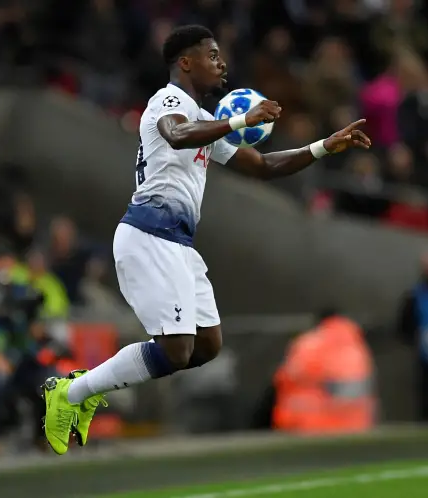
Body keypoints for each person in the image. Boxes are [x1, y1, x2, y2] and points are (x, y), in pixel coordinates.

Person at [40, 24, 372, 455]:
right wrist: (238, 120)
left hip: (177, 244)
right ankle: (71, 394)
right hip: (149, 235)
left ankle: (78, 390)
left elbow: (263, 166)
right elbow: (177, 134)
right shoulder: (169, 102)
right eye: (212, 55)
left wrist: (323, 146)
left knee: (207, 345)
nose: (222, 63)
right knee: (176, 350)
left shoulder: (203, 120)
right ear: (185, 62)